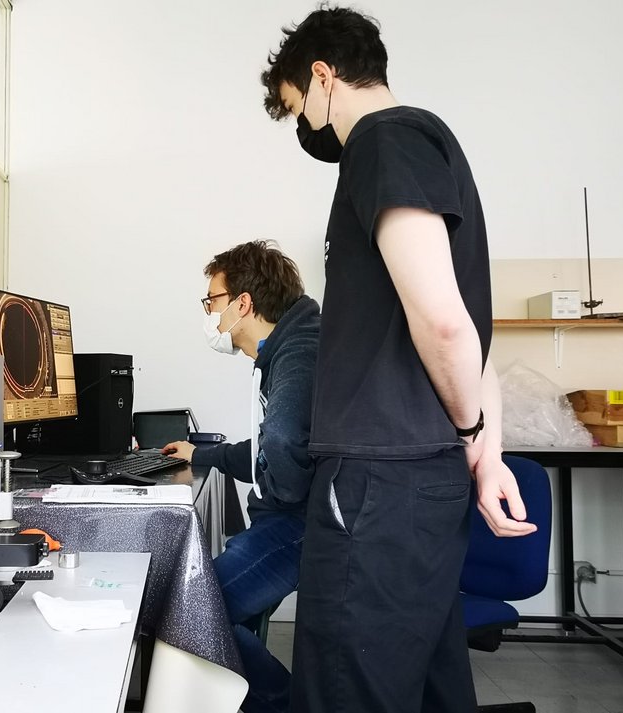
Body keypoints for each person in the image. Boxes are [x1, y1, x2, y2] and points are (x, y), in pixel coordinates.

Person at [259, 6, 538, 713]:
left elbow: (443, 325)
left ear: (322, 75)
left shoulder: (383, 140)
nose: (305, 130)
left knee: (346, 694)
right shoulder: (425, 143)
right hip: (414, 478)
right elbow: (468, 325)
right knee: (424, 687)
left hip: (378, 481)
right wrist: (486, 451)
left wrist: (476, 436)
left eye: (299, 109)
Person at [162, 240, 319, 713]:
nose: (209, 314)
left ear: (242, 304)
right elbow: (274, 441)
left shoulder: (300, 351)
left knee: (190, 614)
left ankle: (281, 702)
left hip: (300, 524)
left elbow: (286, 443)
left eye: (212, 302)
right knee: (215, 616)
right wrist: (208, 453)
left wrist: (276, 494)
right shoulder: (289, 345)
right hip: (293, 518)